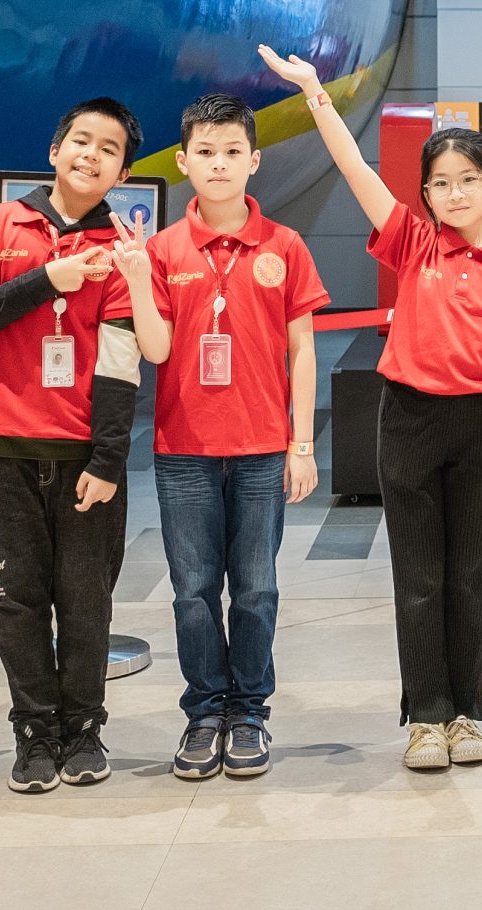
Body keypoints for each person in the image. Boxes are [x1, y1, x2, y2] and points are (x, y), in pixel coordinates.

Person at [258, 47, 482, 772]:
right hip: (409, 419)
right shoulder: (413, 242)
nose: (454, 193)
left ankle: (467, 713)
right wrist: (317, 93)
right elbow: (354, 168)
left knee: (467, 574)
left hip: (480, 424)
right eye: (440, 183)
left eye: (468, 180)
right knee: (417, 574)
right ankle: (425, 717)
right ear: (426, 194)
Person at [0, 98, 153, 794]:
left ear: (123, 172)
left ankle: (84, 727)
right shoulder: (1, 224)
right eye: (81, 141)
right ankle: (33, 732)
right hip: (5, 450)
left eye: (109, 149)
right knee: (18, 599)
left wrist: (109, 460)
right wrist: (47, 281)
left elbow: (121, 362)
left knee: (87, 601)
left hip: (84, 457)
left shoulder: (121, 246)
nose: (91, 155)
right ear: (55, 148)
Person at [143, 95, 330, 781]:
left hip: (260, 449)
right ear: (183, 161)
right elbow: (157, 350)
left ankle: (248, 712)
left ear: (255, 161)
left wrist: (301, 445)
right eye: (205, 152)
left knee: (255, 589)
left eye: (231, 152)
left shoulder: (285, 246)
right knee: (192, 590)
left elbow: (302, 350)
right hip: (183, 451)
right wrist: (135, 278)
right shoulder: (163, 250)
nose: (218, 164)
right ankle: (203, 713)